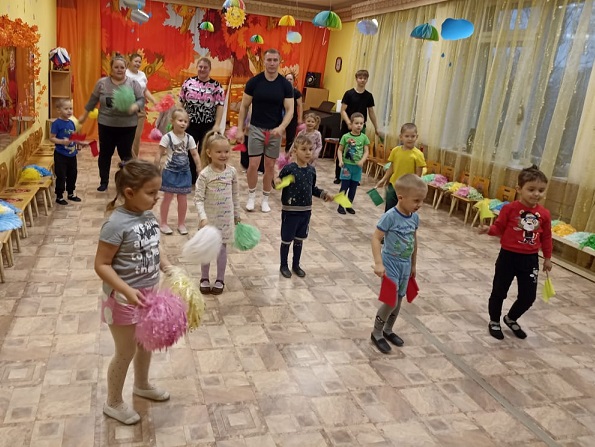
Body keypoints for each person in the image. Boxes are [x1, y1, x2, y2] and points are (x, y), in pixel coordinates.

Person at [94, 160, 173, 425]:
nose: (156, 198)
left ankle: (141, 385)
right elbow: (101, 264)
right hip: (121, 300)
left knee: (145, 343)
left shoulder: (148, 216)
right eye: (151, 193)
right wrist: (126, 290)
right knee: (125, 351)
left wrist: (167, 267)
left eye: (157, 192)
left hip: (147, 296)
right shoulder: (115, 224)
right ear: (129, 192)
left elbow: (155, 247)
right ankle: (113, 402)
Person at [479, 165, 553, 340]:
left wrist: (547, 258)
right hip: (508, 257)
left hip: (530, 260)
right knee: (499, 291)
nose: (536, 194)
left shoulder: (544, 214)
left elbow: (547, 237)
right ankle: (494, 321)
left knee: (528, 297)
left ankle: (511, 318)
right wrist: (489, 229)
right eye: (531, 189)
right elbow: (499, 227)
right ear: (519, 189)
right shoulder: (509, 209)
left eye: (541, 190)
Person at [370, 174, 428, 354]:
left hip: (405, 265)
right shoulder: (390, 217)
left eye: (422, 200)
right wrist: (378, 263)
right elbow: (375, 238)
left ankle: (388, 330)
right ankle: (376, 333)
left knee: (399, 298)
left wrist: (413, 265)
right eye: (416, 200)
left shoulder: (414, 218)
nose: (419, 204)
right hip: (390, 264)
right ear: (401, 197)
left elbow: (414, 241)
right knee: (391, 300)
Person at [236, 48, 294, 213]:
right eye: (269, 60)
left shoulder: (285, 85)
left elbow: (290, 110)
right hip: (256, 128)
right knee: (253, 164)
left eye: (275, 60)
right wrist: (240, 129)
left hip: (275, 131)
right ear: (264, 61)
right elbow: (244, 106)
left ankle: (265, 199)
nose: (272, 63)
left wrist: (281, 128)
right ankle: (251, 196)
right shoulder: (254, 82)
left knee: (269, 166)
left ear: (279, 62)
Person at [79, 53, 145, 192]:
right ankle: (104, 181)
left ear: (126, 68)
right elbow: (92, 101)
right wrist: (84, 116)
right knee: (105, 154)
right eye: (116, 67)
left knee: (126, 155)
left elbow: (141, 99)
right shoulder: (102, 83)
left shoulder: (133, 83)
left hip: (128, 126)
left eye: (122, 67)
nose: (119, 70)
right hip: (106, 125)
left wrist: (135, 106)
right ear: (111, 68)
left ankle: (126, 182)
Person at [275, 135, 332, 278]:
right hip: (290, 212)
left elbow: (312, 188)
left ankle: (296, 265)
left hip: (305, 212)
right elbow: (278, 183)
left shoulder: (311, 170)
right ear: (295, 151)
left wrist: (323, 194)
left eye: (310, 149)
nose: (308, 152)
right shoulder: (289, 169)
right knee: (286, 240)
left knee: (299, 239)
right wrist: (276, 181)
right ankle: (283, 265)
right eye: (304, 149)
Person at [195, 131, 240, 295]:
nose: (223, 155)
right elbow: (198, 199)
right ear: (209, 153)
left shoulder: (232, 172)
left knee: (222, 250)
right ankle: (204, 278)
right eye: (219, 152)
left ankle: (220, 279)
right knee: (207, 250)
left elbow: (235, 195)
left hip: (225, 221)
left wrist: (237, 214)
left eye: (226, 151)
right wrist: (203, 218)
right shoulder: (205, 174)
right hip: (208, 221)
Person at [179, 57, 225, 185]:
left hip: (208, 124)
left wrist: (217, 125)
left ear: (210, 69)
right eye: (200, 67)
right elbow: (181, 102)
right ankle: (190, 178)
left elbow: (220, 106)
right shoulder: (188, 82)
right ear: (197, 67)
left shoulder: (216, 86)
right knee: (189, 150)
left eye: (205, 67)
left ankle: (203, 178)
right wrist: (179, 118)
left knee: (205, 152)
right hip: (190, 124)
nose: (202, 69)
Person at [154, 108, 200, 235]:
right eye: (180, 120)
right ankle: (163, 223)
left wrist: (198, 167)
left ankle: (181, 224)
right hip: (170, 172)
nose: (183, 123)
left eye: (185, 121)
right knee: (167, 197)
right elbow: (159, 153)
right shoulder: (167, 137)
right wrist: (155, 168)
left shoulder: (189, 138)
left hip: (185, 173)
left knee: (183, 199)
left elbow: (195, 154)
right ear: (172, 121)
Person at [335, 69, 382, 184]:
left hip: (360, 127)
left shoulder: (368, 96)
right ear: (356, 79)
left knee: (358, 151)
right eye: (360, 78)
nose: (362, 80)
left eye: (365, 78)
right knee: (344, 149)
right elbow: (343, 110)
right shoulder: (349, 93)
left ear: (367, 80)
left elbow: (371, 112)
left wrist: (376, 127)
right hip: (348, 126)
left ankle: (355, 177)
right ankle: (339, 176)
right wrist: (349, 123)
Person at [376, 123, 426, 211]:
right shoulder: (395, 151)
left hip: (408, 189)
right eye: (407, 136)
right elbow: (391, 168)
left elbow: (418, 175)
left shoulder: (419, 155)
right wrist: (383, 179)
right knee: (389, 209)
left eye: (413, 136)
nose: (410, 139)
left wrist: (415, 188)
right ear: (401, 137)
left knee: (404, 211)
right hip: (393, 185)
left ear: (416, 137)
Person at [49, 99, 82, 205]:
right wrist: (62, 142)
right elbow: (52, 138)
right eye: (66, 109)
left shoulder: (72, 123)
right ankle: (59, 196)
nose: (69, 111)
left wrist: (79, 142)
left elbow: (73, 136)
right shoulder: (56, 124)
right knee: (61, 175)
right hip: (60, 155)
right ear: (59, 110)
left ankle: (71, 193)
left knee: (73, 174)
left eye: (71, 108)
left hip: (72, 154)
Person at [336, 112, 370, 214]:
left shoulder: (364, 138)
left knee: (353, 187)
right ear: (351, 124)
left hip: (357, 168)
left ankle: (348, 205)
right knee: (344, 186)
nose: (359, 125)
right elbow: (340, 150)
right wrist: (341, 160)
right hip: (347, 166)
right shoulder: (345, 137)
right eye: (356, 123)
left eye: (361, 123)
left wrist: (362, 161)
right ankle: (340, 206)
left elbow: (366, 151)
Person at [126, 53, 156, 158]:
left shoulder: (142, 75)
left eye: (139, 62)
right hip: (127, 109)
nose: (138, 64)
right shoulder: (124, 73)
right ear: (130, 61)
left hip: (140, 109)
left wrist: (154, 100)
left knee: (136, 137)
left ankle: (134, 160)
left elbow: (145, 90)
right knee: (127, 137)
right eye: (136, 61)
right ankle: (129, 159)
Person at [284, 73, 303, 153]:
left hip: (292, 118)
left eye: (290, 79)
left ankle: (288, 154)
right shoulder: (281, 91)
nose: (289, 81)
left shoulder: (296, 93)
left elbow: (300, 106)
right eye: (287, 79)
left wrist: (300, 118)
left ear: (294, 81)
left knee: (290, 137)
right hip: (281, 117)